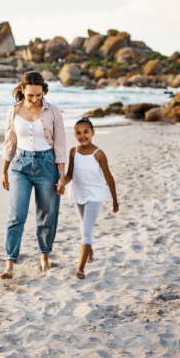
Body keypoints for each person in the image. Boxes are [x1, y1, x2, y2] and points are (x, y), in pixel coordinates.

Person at [0, 71, 66, 279]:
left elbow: (60, 144)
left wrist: (62, 174)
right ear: (23, 91)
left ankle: (44, 255)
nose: (35, 99)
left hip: (47, 165)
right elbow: (9, 142)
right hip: (20, 165)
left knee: (47, 214)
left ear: (43, 91)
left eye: (39, 95)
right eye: (31, 96)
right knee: (16, 215)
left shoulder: (53, 111)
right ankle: (10, 262)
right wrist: (4, 170)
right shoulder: (13, 111)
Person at [60, 118, 119, 279]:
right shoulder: (73, 151)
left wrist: (115, 199)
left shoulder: (98, 154)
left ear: (93, 132)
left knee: (85, 230)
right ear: (74, 135)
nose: (82, 135)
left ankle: (80, 268)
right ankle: (89, 248)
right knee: (84, 226)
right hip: (79, 192)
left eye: (86, 132)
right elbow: (70, 175)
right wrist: (61, 183)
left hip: (94, 194)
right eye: (78, 133)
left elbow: (109, 178)